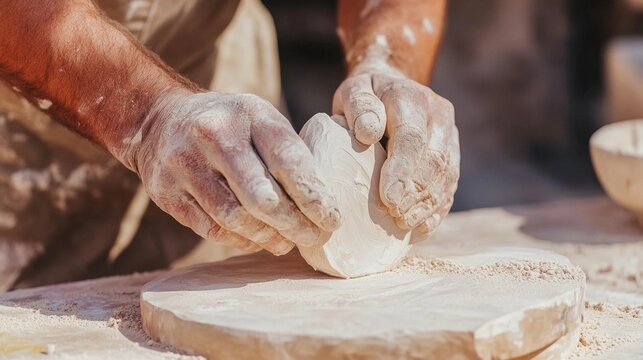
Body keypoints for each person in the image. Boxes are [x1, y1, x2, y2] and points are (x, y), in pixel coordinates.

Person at [0, 0, 459, 290]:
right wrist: (147, 116)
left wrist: (389, 56)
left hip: (213, 61)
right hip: (23, 85)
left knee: (224, 299)